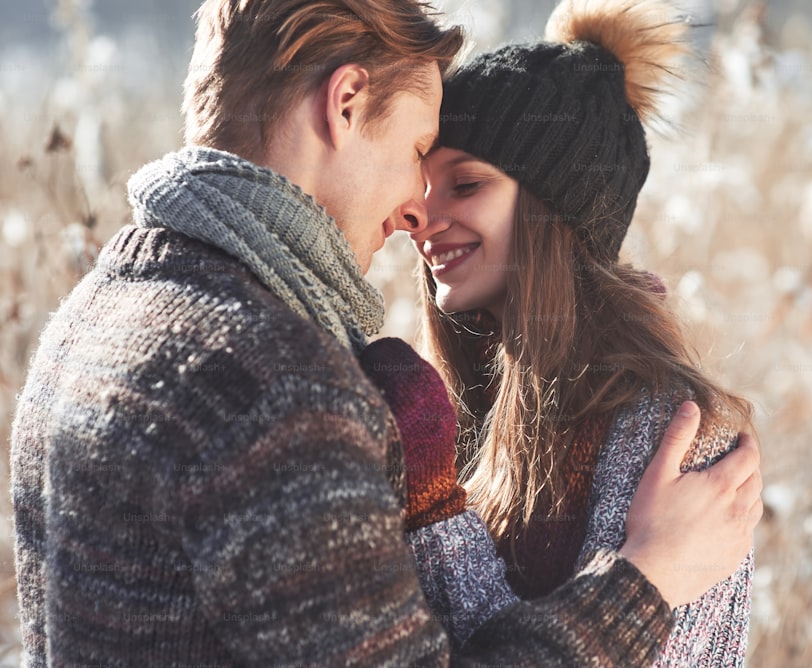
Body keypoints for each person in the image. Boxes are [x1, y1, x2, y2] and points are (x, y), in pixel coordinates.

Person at [8, 0, 760, 665]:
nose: (412, 211)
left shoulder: (89, 322)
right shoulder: (277, 392)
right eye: (414, 154)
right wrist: (646, 580)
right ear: (344, 104)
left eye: (461, 182)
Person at [403, 0, 762, 664]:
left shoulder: (673, 432)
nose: (422, 218)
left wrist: (433, 515)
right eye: (425, 188)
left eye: (466, 184)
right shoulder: (473, 400)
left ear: (553, 209)